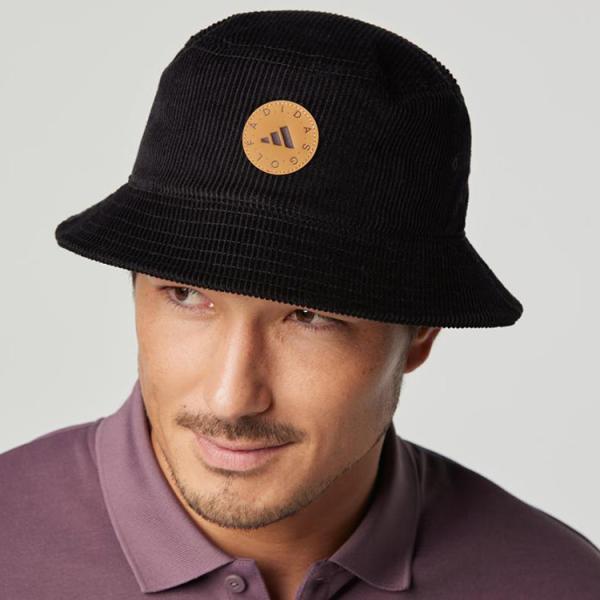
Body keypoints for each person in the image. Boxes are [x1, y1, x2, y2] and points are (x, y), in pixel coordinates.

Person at [1, 9, 599, 600]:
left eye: (310, 316)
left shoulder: (559, 584)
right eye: (187, 295)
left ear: (421, 333)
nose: (233, 398)